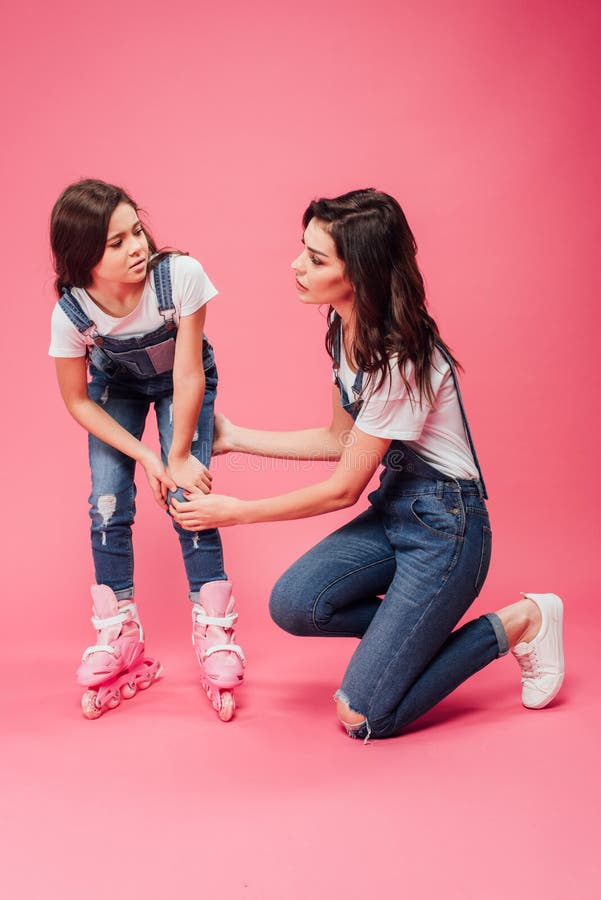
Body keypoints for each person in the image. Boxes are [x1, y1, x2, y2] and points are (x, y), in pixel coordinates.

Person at [170, 188, 565, 740]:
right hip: (397, 508)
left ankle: (524, 619)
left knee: (364, 716)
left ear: (359, 271)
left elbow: (342, 489)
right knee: (295, 604)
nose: (296, 266)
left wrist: (235, 511)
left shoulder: (403, 355)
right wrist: (237, 437)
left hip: (448, 529)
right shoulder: (343, 329)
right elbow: (340, 439)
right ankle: (407, 640)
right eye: (301, 249)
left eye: (315, 258)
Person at [49, 179, 245, 721]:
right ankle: (120, 631)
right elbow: (78, 401)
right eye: (116, 242)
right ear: (83, 257)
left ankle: (214, 629)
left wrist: (177, 457)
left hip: (184, 384)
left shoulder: (179, 275)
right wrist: (147, 456)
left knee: (189, 495)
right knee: (108, 502)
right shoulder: (72, 314)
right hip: (115, 393)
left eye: (136, 230)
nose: (137, 246)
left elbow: (187, 374)